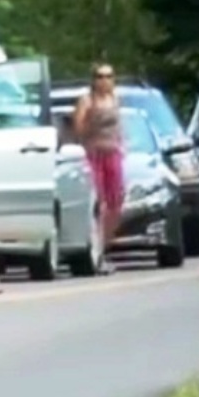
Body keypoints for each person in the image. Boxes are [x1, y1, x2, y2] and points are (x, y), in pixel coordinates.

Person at [74, 62, 124, 274]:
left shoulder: (115, 99)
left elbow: (119, 126)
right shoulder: (87, 101)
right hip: (93, 155)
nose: (104, 80)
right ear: (93, 80)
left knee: (116, 202)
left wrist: (122, 146)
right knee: (98, 203)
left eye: (108, 76)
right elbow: (78, 127)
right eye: (100, 76)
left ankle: (105, 247)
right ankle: (95, 253)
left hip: (113, 153)